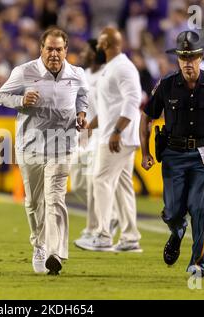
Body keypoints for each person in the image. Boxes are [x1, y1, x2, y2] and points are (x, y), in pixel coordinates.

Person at [140, 30, 204, 278]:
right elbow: (146, 118)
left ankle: (198, 264)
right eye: (183, 57)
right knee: (173, 212)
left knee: (200, 209)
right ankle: (177, 230)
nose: (188, 62)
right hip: (173, 156)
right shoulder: (165, 85)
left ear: (200, 57)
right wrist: (144, 152)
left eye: (193, 57)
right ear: (178, 58)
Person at [0, 27, 89, 275]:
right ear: (41, 49)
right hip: (31, 145)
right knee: (34, 203)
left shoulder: (77, 74)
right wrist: (20, 101)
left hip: (63, 145)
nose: (54, 54)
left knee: (56, 198)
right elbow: (1, 96)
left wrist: (82, 113)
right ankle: (38, 245)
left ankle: (54, 253)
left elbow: (83, 97)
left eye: (59, 49)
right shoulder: (25, 71)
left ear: (66, 50)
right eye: (50, 48)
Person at [78, 27, 143, 253]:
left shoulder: (123, 68)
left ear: (106, 45)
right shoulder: (111, 68)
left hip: (117, 138)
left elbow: (132, 101)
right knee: (123, 187)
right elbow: (108, 108)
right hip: (113, 134)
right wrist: (89, 127)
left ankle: (103, 234)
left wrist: (116, 131)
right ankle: (130, 237)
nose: (97, 47)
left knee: (100, 180)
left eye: (100, 44)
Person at [71, 39, 119, 248]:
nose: (82, 53)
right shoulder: (83, 75)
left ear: (95, 53)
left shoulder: (107, 74)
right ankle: (110, 215)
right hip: (83, 135)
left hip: (99, 134)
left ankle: (95, 226)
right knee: (79, 183)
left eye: (86, 50)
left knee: (92, 183)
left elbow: (110, 107)